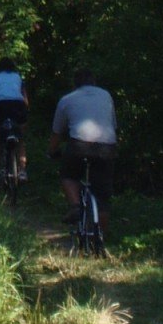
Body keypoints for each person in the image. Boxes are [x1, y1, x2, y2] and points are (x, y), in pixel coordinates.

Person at [49, 68, 118, 236]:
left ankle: (76, 207)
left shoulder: (66, 99)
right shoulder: (106, 95)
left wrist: (51, 152)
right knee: (102, 196)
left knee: (68, 175)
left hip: (79, 145)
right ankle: (100, 239)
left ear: (75, 84)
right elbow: (114, 125)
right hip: (106, 146)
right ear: (94, 82)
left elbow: (57, 133)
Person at [0, 56, 29, 179]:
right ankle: (22, 171)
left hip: (2, 106)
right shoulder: (18, 77)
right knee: (21, 139)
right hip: (19, 106)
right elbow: (26, 100)